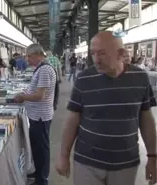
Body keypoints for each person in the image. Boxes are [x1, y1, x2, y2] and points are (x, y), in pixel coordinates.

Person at [56, 31, 157, 185]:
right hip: (87, 161)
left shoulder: (140, 78)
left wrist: (153, 156)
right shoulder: (84, 79)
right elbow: (72, 121)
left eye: (102, 53)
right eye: (93, 53)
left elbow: (146, 121)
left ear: (121, 54)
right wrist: (63, 156)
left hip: (125, 162)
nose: (96, 59)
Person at [14, 44, 56, 185]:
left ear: (38, 55)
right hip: (38, 116)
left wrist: (23, 97)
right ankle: (39, 173)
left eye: (29, 56)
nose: (27, 59)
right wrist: (27, 92)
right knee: (38, 147)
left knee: (42, 149)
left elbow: (40, 96)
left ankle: (42, 179)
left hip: (40, 117)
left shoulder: (44, 70)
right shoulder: (42, 68)